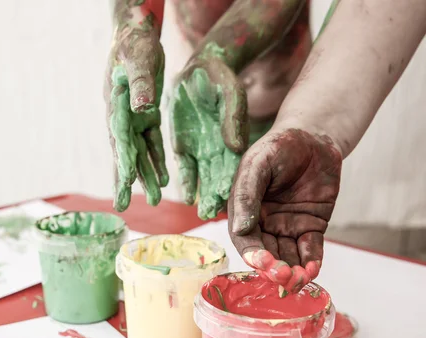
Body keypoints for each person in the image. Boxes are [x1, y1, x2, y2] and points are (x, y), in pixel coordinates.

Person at [104, 0, 426, 292]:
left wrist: (312, 124)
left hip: (289, 94)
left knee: (268, 238)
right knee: (213, 246)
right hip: (202, 102)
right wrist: (133, 27)